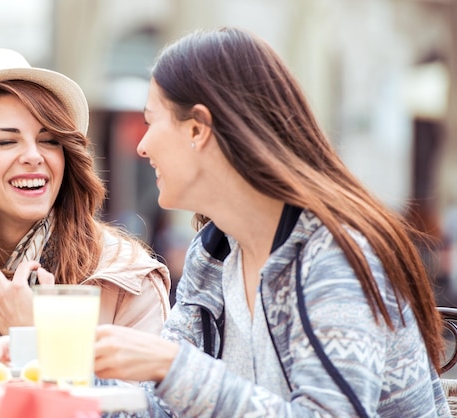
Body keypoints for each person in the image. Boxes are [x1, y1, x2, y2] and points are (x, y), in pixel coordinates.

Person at [94, 27, 450, 417]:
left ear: (197, 129)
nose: (141, 145)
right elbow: (163, 408)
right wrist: (49, 369)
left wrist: (171, 366)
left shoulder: (332, 257)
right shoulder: (214, 254)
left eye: (151, 121)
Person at [0, 48, 171, 378]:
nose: (33, 156)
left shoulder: (125, 277)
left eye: (50, 140)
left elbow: (140, 409)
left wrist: (31, 334)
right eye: (6, 142)